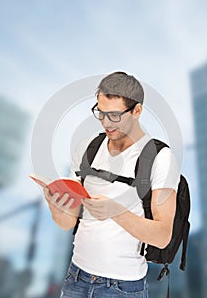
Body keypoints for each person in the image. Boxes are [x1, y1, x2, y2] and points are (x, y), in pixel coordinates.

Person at [43, 72, 180, 298]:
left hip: (122, 287)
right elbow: (67, 223)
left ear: (137, 111)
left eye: (115, 115)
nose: (106, 122)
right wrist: (54, 205)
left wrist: (116, 212)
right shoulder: (87, 148)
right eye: (100, 112)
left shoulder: (160, 158)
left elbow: (163, 236)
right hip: (75, 279)